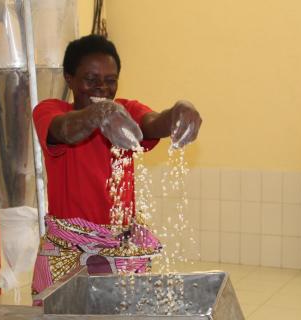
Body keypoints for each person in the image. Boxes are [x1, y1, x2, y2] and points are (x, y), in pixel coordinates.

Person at [31, 34, 202, 299]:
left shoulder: (125, 111)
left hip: (122, 248)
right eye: (91, 79)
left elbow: (154, 122)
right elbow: (63, 131)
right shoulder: (51, 111)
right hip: (67, 251)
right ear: (69, 78)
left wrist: (180, 111)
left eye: (110, 81)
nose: (101, 88)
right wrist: (100, 114)